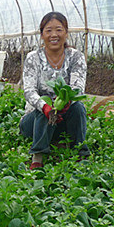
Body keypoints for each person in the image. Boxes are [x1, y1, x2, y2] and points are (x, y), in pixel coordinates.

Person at [20, 12, 89, 169]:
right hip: (34, 121)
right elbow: (29, 91)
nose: (54, 35)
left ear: (66, 33)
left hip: (64, 119)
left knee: (78, 107)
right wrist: (46, 108)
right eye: (48, 30)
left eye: (59, 30)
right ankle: (38, 156)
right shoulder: (33, 58)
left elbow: (77, 88)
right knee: (44, 101)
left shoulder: (76, 57)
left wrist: (65, 103)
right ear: (42, 34)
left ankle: (81, 152)